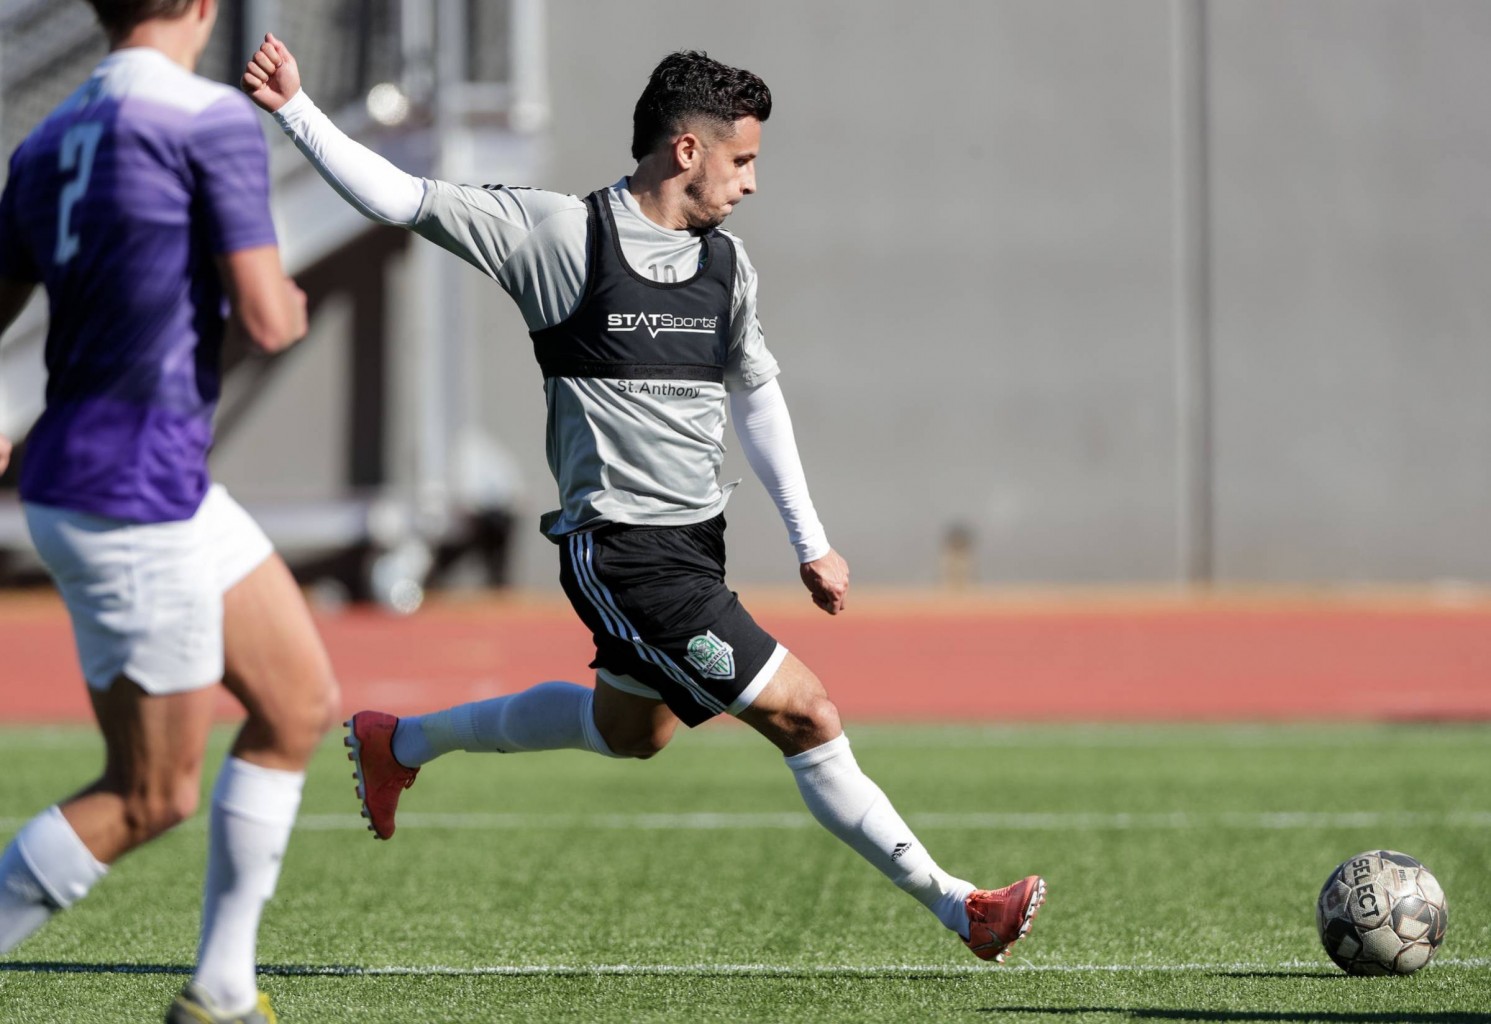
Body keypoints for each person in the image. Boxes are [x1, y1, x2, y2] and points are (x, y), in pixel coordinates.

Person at [242, 38, 1045, 963]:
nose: (751, 182)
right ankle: (960, 906)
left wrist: (809, 540)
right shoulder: (558, 236)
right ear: (687, 150)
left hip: (695, 546)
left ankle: (400, 743)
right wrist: (296, 109)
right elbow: (400, 197)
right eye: (742, 160)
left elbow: (756, 397)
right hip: (624, 549)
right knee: (806, 714)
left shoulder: (726, 266)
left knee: (630, 732)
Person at [0, 3, 339, 1022]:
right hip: (131, 492)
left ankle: (222, 993)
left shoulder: (46, 139)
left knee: (296, 704)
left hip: (135, 481)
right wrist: (283, 301)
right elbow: (269, 316)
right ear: (203, 6)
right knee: (150, 794)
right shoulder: (208, 118)